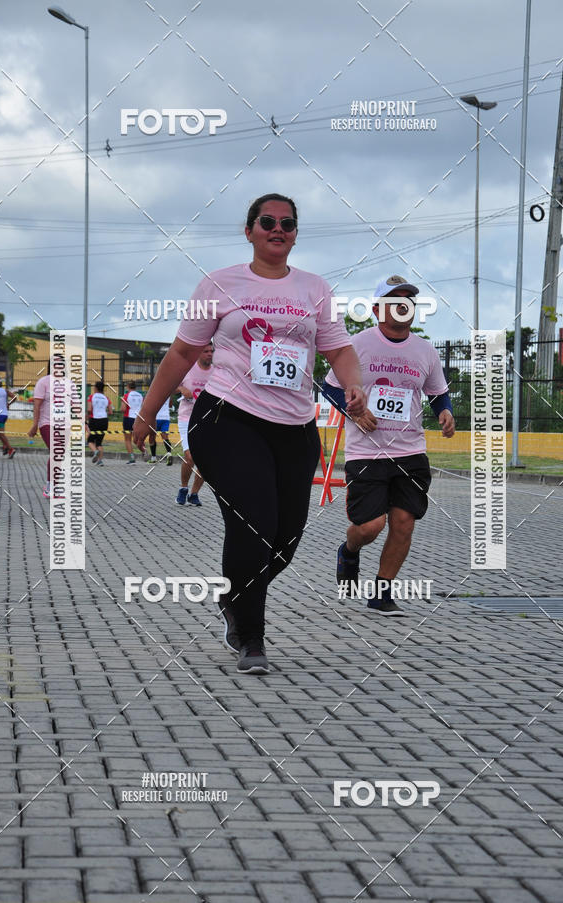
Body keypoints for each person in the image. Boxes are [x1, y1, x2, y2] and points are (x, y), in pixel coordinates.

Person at [134, 193, 365, 674]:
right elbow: (181, 354)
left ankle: (234, 597)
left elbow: (339, 350)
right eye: (267, 221)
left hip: (294, 426)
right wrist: (146, 414)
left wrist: (355, 385)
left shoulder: (315, 289)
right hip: (227, 418)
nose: (277, 228)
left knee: (286, 537)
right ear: (250, 230)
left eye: (288, 223)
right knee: (253, 524)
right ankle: (252, 638)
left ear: (295, 233)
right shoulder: (220, 283)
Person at [324, 274, 455, 615]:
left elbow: (438, 392)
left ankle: (382, 592)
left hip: (410, 451)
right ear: (377, 308)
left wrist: (445, 412)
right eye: (394, 298)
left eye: (408, 299)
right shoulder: (357, 345)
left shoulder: (425, 350)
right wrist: (353, 413)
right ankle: (349, 551)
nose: (402, 304)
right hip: (367, 451)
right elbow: (330, 387)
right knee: (370, 526)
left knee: (403, 522)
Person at [175, 342, 214, 505]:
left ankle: (194, 494)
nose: (209, 354)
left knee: (206, 460)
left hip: (207, 419)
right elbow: (172, 384)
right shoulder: (188, 369)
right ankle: (183, 488)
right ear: (198, 353)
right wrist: (182, 389)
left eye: (211, 351)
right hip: (186, 418)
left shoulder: (216, 372)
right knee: (190, 457)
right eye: (205, 351)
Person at [28, 365, 53, 496]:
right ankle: (50, 487)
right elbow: (37, 405)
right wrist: (34, 425)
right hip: (46, 423)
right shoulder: (43, 382)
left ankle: (53, 485)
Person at [87, 380, 112, 465]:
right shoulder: (106, 398)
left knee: (90, 440)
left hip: (94, 419)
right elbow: (111, 412)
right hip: (104, 420)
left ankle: (95, 451)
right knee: (99, 442)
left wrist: (87, 417)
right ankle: (100, 461)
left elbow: (89, 409)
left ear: (96, 388)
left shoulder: (91, 397)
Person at [121, 381, 143, 464]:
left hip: (128, 418)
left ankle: (132, 458)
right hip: (138, 418)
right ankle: (144, 451)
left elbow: (123, 409)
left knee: (127, 439)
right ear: (135, 387)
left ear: (127, 387)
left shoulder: (126, 396)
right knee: (137, 438)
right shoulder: (141, 396)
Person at [149, 395, 174, 465]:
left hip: (156, 417)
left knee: (152, 437)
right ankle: (169, 454)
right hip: (166, 418)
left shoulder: (155, 392)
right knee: (165, 437)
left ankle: (153, 458)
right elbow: (170, 405)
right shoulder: (169, 394)